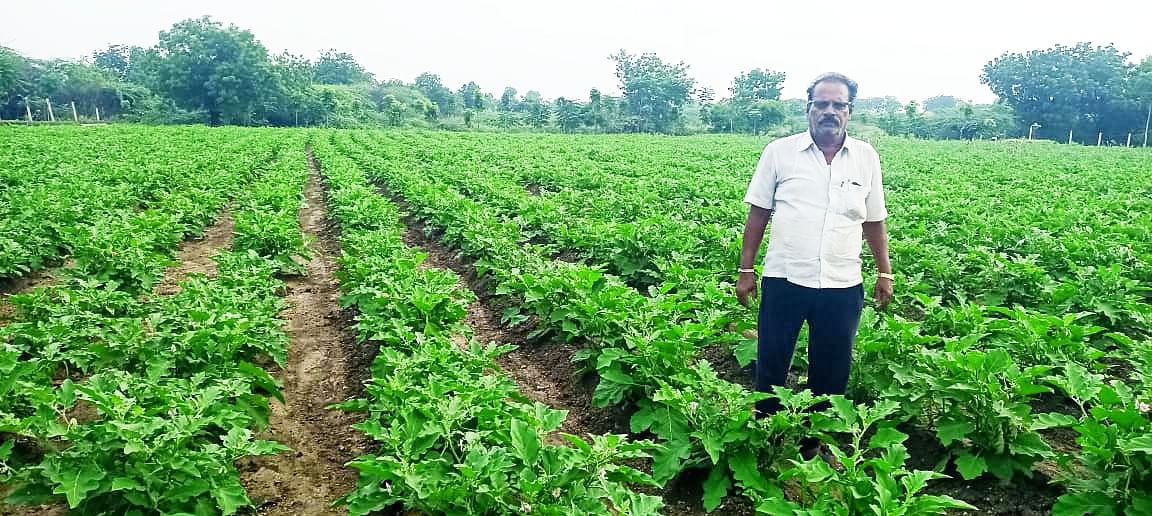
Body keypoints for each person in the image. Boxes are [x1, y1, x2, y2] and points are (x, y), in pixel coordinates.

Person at [734, 72, 893, 460]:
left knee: (832, 369)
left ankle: (812, 446)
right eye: (821, 104)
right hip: (785, 277)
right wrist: (745, 269)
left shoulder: (866, 157)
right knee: (772, 361)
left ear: (849, 112)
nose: (829, 111)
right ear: (809, 109)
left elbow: (874, 220)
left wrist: (885, 271)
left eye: (838, 105)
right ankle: (767, 438)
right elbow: (758, 213)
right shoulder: (779, 152)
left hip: (842, 283)